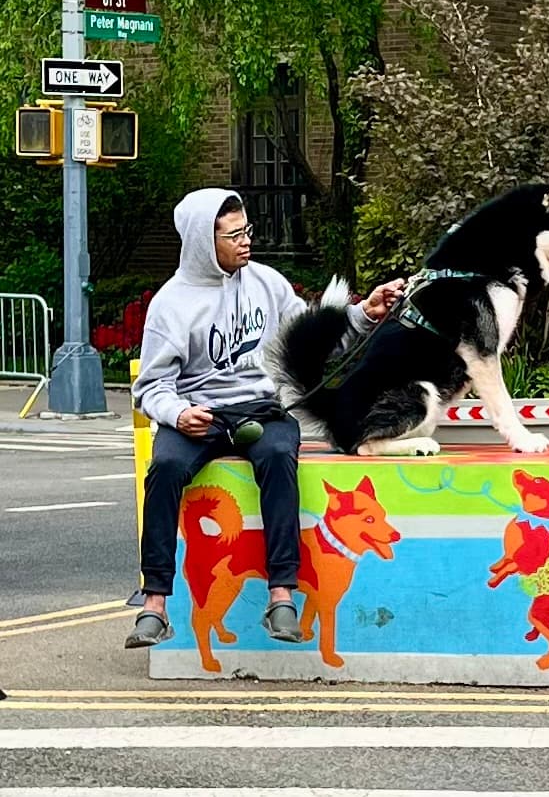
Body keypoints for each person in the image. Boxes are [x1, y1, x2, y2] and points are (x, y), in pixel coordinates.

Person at [125, 187, 404, 650]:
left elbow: (311, 341)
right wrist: (178, 412)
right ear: (201, 241)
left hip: (262, 409)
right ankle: (155, 604)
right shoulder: (170, 305)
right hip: (200, 415)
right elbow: (149, 387)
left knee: (278, 456)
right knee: (166, 468)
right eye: (234, 235)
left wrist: (363, 314)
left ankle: (282, 595)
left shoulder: (268, 284)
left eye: (247, 230)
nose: (246, 241)